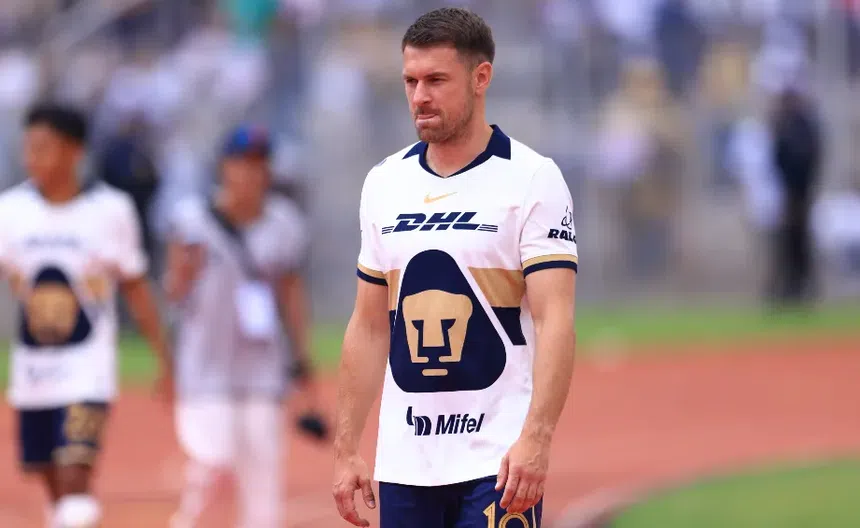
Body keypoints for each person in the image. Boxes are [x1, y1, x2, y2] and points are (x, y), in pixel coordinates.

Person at [332, 7, 579, 528]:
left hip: (498, 461)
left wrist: (536, 437)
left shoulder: (532, 179)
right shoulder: (383, 183)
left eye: (436, 80)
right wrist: (347, 446)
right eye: (411, 81)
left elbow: (554, 318)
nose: (419, 96)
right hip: (405, 463)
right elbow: (370, 324)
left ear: (480, 77)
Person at [0, 103, 174, 528]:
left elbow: (135, 286)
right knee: (50, 478)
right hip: (33, 369)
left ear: (74, 151)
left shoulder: (110, 210)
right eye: (29, 148)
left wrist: (164, 358)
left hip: (87, 366)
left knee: (75, 475)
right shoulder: (10, 211)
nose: (32, 158)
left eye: (44, 148)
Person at [164, 125, 328, 528]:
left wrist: (301, 356)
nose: (251, 173)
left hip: (262, 370)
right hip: (206, 370)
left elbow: (291, 293)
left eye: (259, 164)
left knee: (263, 482)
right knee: (213, 466)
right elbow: (174, 292)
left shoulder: (283, 223)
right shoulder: (193, 221)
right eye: (242, 163)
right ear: (224, 167)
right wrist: (187, 269)